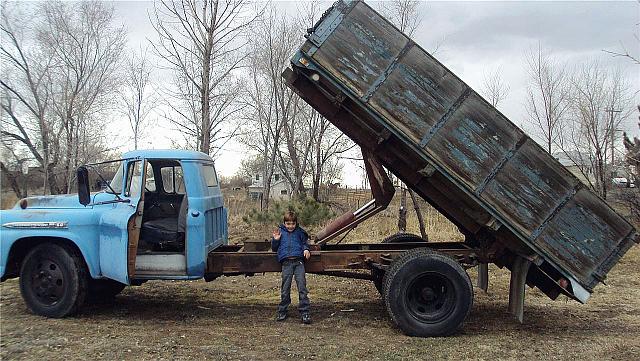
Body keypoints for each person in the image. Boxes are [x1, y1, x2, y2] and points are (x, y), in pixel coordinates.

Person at [271, 211, 312, 324]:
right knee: (285, 288)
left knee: (302, 288)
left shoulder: (299, 232)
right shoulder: (280, 233)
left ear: (296, 223)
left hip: (298, 263)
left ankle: (305, 312)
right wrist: (276, 239)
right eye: (288, 224)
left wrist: (306, 249)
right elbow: (274, 248)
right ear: (284, 223)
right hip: (286, 264)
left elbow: (305, 243)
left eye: (293, 224)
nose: (290, 226)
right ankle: (282, 310)